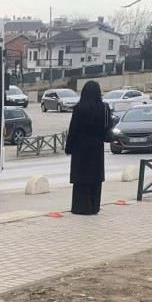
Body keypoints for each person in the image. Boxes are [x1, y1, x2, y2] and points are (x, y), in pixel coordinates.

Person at [64, 81, 111, 215]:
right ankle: (94, 206)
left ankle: (81, 207)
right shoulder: (104, 108)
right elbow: (106, 128)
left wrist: (69, 147)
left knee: (81, 178)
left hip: (81, 147)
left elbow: (73, 129)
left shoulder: (80, 108)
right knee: (95, 178)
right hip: (97, 146)